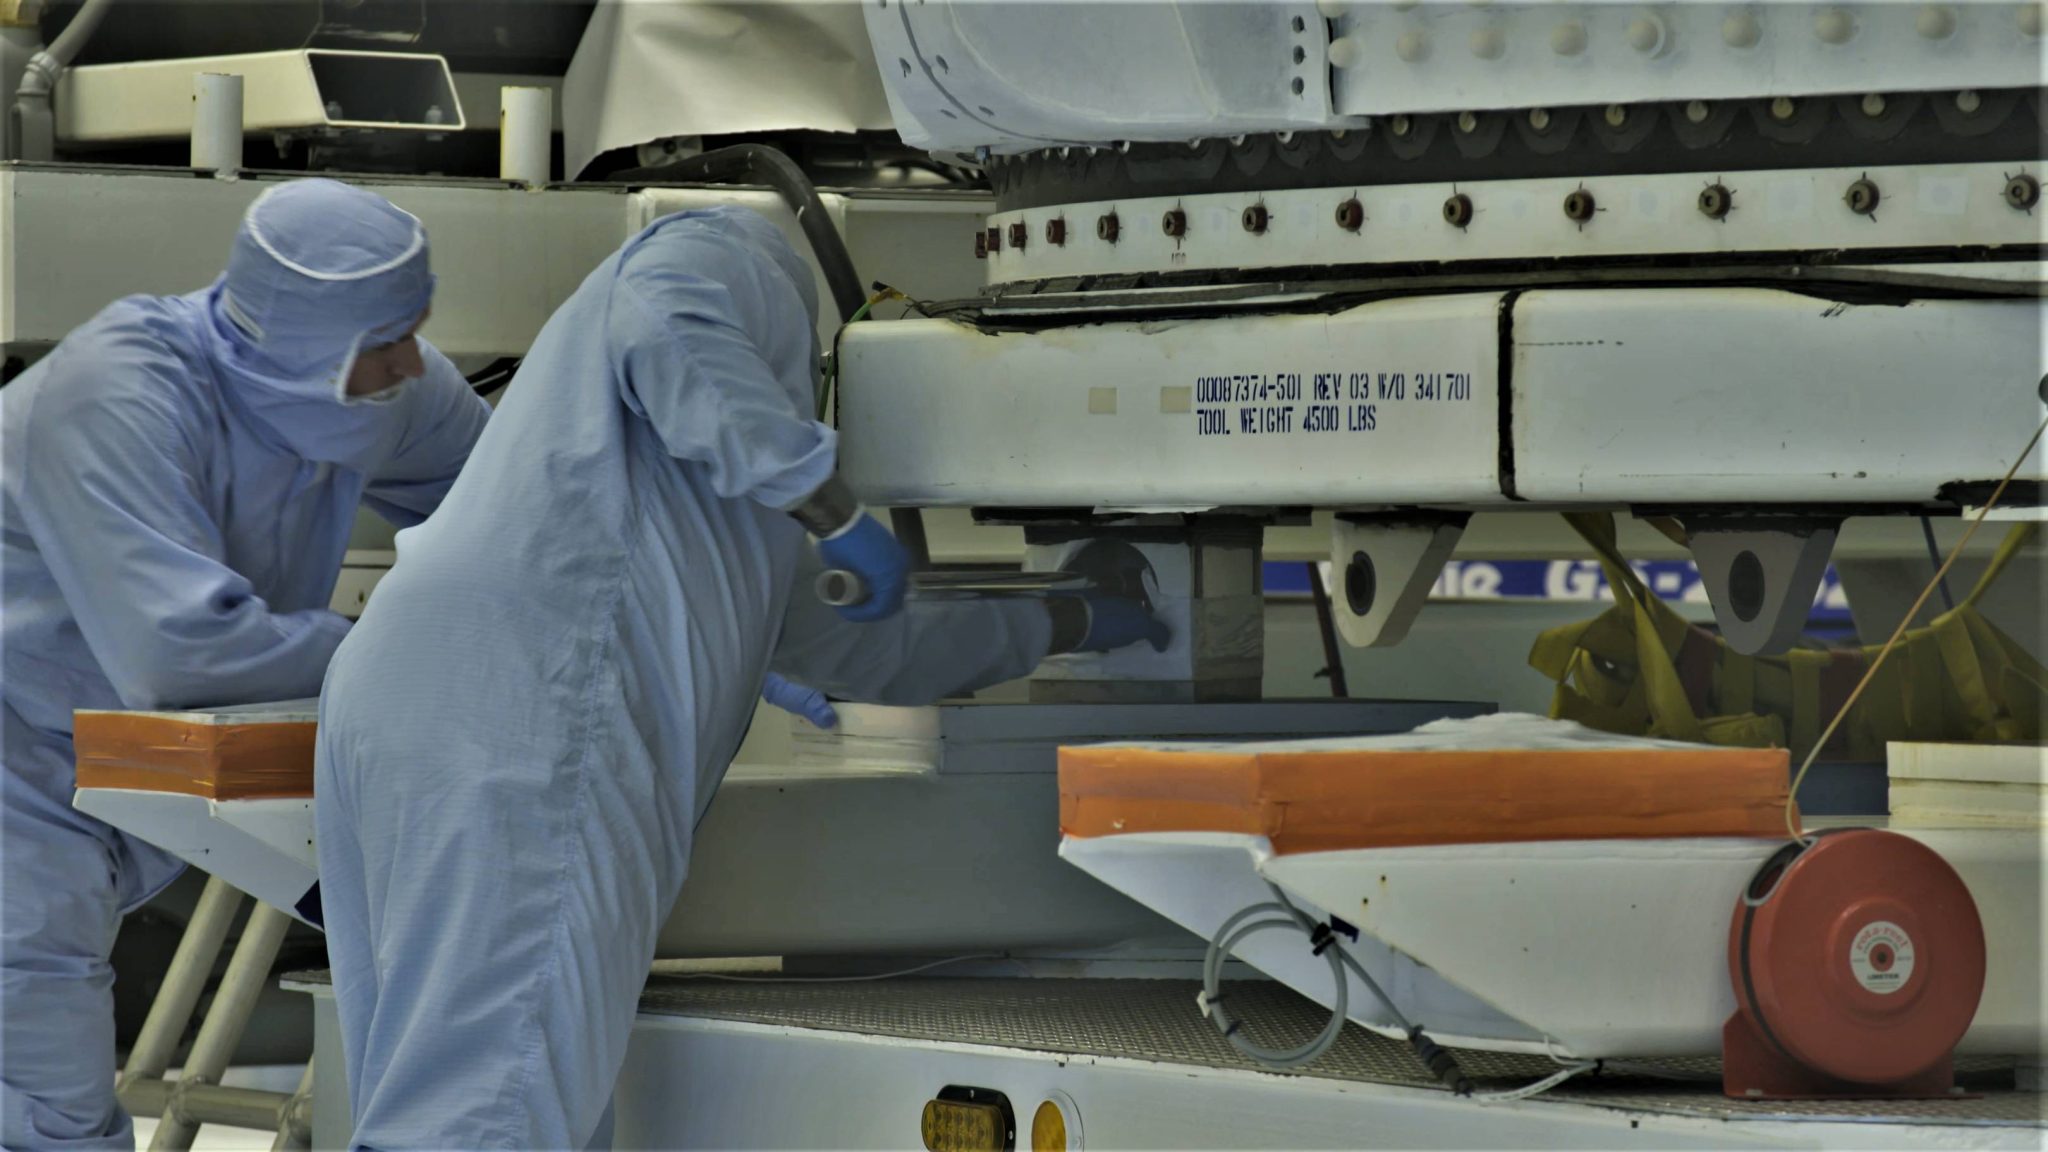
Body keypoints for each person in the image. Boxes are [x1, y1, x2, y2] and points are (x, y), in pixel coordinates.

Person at [313, 204, 1166, 1150]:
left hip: (399, 696)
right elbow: (661, 316)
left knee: (432, 1093)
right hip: (522, 715)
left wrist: (1070, 618)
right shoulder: (744, 256)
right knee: (485, 1114)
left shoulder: (728, 515)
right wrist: (828, 501)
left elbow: (878, 644)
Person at [0, 178, 494, 1149]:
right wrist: (412, 658)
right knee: (43, 1105)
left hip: (115, 772)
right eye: (384, 342)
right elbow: (181, 654)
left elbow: (525, 523)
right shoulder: (118, 389)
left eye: (414, 328)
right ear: (301, 341)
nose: (411, 361)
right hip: (13, 759)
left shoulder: (386, 385)